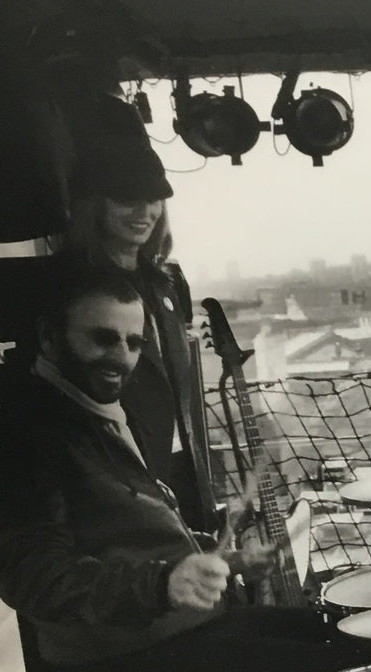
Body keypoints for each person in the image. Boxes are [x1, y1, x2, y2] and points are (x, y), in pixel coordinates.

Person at [0, 269, 371, 672]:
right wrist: (165, 582)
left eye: (134, 342)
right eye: (102, 337)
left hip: (169, 630)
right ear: (48, 335)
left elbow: (128, 532)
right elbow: (33, 574)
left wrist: (218, 559)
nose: (122, 357)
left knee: (350, 630)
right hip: (117, 656)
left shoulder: (93, 401)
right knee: (347, 667)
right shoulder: (18, 425)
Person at [57, 122, 216, 534]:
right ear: (96, 204)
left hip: (182, 466)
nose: (145, 213)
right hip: (122, 479)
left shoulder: (164, 282)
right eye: (128, 199)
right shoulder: (74, 290)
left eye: (155, 199)